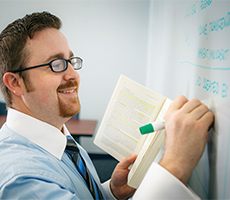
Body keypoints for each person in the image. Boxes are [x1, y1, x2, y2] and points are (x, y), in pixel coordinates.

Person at [0, 11, 214, 199]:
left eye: (71, 61)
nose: (73, 75)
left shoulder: (58, 138)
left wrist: (110, 192)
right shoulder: (23, 181)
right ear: (15, 83)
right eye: (56, 65)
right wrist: (175, 165)